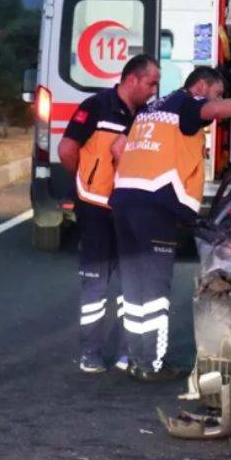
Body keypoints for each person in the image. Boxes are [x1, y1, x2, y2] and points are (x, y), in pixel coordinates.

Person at [110, 67, 231, 381]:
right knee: (156, 290)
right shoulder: (186, 104)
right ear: (200, 86)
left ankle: (135, 358)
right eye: (216, 92)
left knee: (134, 286)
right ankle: (151, 365)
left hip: (124, 202)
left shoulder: (150, 109)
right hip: (154, 208)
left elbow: (117, 148)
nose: (215, 103)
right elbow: (212, 109)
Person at [57, 54, 161, 374]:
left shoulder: (145, 114)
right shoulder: (96, 106)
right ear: (132, 80)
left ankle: (128, 352)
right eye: (151, 83)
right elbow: (66, 150)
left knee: (133, 284)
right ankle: (91, 352)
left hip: (130, 209)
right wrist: (85, 182)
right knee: (96, 284)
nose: (154, 90)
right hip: (96, 208)